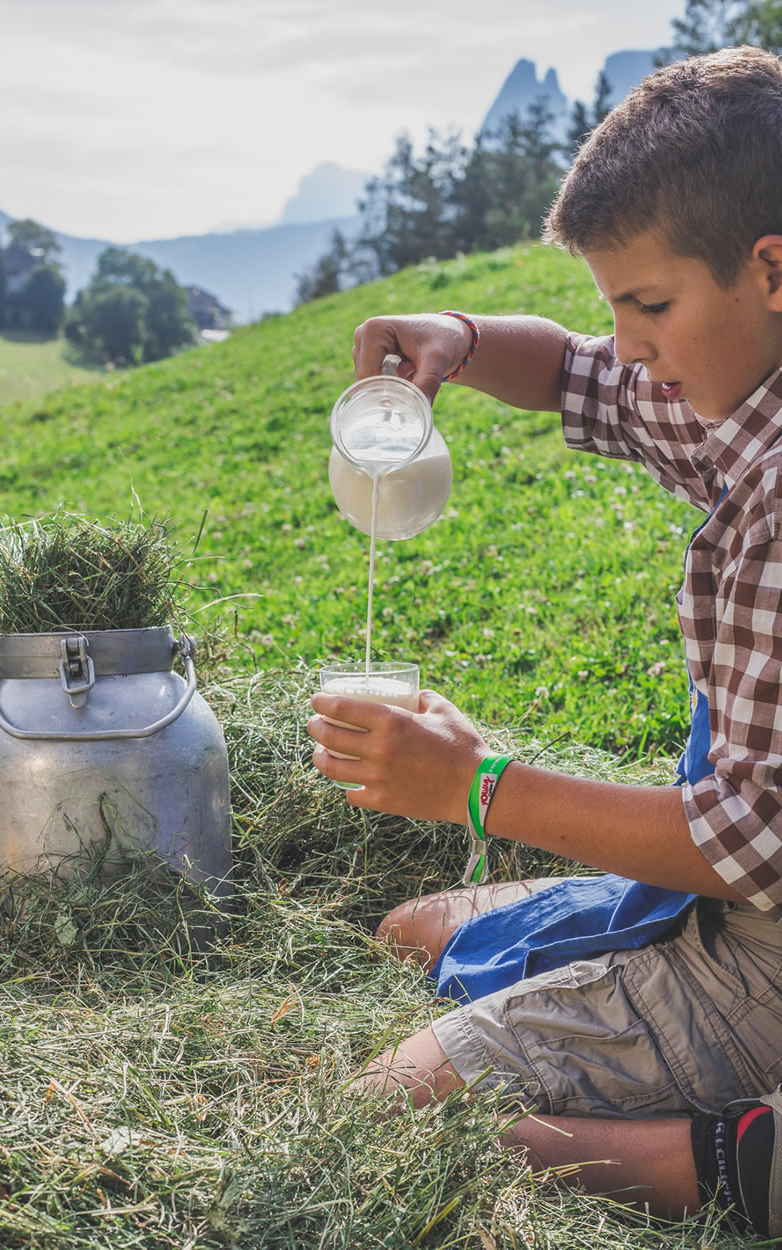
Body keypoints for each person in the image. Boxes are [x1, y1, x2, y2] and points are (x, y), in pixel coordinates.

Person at [307, 46, 782, 1235]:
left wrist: (477, 784)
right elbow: (578, 375)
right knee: (417, 927)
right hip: (727, 896)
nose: (626, 341)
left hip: (764, 947)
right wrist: (459, 337)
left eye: (648, 305)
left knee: (387, 1113)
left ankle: (725, 1157)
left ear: (772, 269)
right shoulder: (742, 390)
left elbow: (748, 843)